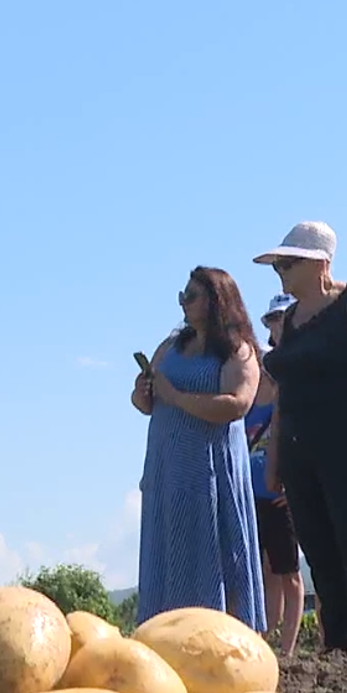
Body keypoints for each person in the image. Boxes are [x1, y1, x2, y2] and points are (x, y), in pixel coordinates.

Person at [254, 221, 347, 654]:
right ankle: (338, 640)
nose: (280, 270)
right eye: (278, 263)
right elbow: (283, 398)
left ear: (319, 262)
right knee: (318, 548)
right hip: (301, 449)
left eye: (288, 262)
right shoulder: (292, 321)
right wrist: (276, 457)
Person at [130, 265, 268, 632]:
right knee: (167, 549)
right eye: (182, 296)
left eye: (191, 296)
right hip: (166, 468)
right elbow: (146, 404)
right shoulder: (170, 347)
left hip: (209, 470)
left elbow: (237, 404)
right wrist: (143, 393)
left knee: (211, 552)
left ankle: (216, 632)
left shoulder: (238, 351)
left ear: (216, 300)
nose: (184, 303)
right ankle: (163, 632)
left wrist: (176, 396)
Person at [246, 294, 306, 655]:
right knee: (266, 571)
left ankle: (289, 647)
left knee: (289, 572)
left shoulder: (294, 383)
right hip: (252, 494)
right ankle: (268, 646)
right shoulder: (250, 390)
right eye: (271, 319)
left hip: (281, 492)